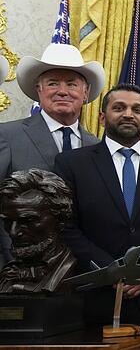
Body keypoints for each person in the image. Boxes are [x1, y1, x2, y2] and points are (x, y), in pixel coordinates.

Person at [54, 83, 140, 324]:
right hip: (95, 300)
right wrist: (113, 271)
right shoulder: (72, 163)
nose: (129, 114)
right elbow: (66, 226)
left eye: (137, 109)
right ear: (102, 118)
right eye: (119, 108)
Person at [0, 44, 104, 267]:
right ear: (39, 90)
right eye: (53, 83)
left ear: (85, 93)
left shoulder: (96, 145)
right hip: (19, 267)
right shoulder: (7, 136)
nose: (62, 91)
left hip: (81, 271)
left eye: (72, 84)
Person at [0, 169, 76, 293]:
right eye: (8, 222)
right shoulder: (8, 273)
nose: (14, 232)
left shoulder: (71, 269)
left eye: (28, 221)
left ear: (61, 220)